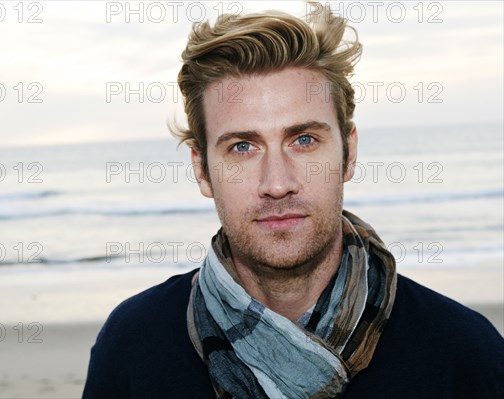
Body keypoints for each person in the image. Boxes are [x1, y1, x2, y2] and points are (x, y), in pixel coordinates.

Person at [83, 4, 504, 398]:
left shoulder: (463, 351)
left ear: (348, 153)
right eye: (243, 147)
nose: (278, 182)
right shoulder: (134, 344)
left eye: (304, 140)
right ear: (202, 169)